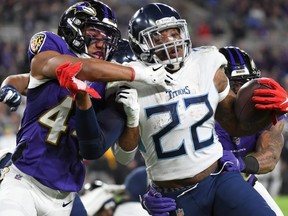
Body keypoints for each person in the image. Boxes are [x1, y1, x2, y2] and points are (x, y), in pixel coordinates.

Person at [101, 3, 288, 216]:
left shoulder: (206, 64)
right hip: (172, 194)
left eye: (175, 32)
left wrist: (270, 111)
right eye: (161, 36)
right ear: (140, 44)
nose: (173, 40)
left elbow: (237, 126)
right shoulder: (128, 82)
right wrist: (132, 121)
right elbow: (130, 155)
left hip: (220, 179)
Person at [0, 1, 174, 216]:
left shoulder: (109, 91)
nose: (101, 44)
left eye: (107, 39)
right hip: (23, 182)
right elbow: (40, 73)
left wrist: (109, 107)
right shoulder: (53, 47)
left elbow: (93, 149)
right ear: (74, 28)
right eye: (94, 33)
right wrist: (136, 73)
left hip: (65, 197)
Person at [217, 46, 284, 216]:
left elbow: (271, 156)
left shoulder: (263, 112)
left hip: (246, 185)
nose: (242, 91)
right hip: (207, 192)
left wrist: (241, 164)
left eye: (248, 83)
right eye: (235, 85)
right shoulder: (200, 113)